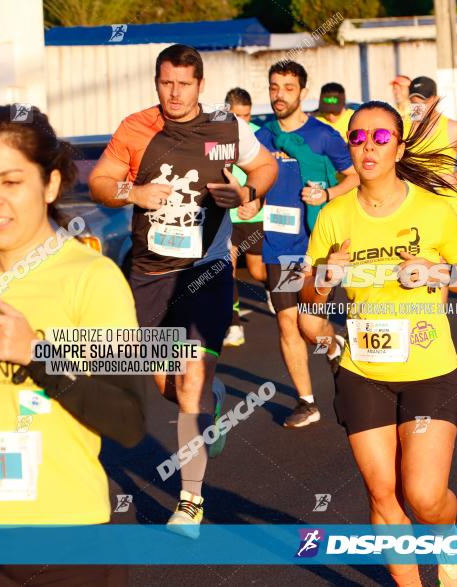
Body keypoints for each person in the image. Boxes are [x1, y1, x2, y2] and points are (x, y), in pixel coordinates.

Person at [88, 44, 277, 536]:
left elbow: (267, 167)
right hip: (150, 273)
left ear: (200, 85)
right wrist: (136, 192)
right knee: (165, 383)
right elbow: (100, 181)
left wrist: (246, 194)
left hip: (206, 269)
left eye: (184, 84)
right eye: (166, 83)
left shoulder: (227, 128)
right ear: (157, 82)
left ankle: (190, 501)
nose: (174, 93)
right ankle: (210, 400)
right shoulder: (135, 128)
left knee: (190, 374)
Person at [300, 99, 457, 587]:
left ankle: (448, 541)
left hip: (428, 370)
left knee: (424, 496)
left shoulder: (433, 209)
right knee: (382, 494)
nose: (368, 147)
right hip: (361, 370)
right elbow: (307, 295)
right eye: (357, 138)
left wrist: (435, 270)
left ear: (399, 147)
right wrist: (324, 275)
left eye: (381, 138)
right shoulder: (333, 216)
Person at [0, 105, 146, 585]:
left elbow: (128, 422)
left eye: (11, 182)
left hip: (63, 543)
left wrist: (39, 355)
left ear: (50, 185)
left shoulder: (91, 278)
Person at [260, 61, 359, 428]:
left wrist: (327, 193)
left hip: (314, 244)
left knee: (309, 326)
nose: (279, 95)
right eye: (274, 87)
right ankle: (307, 402)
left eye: (288, 87)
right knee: (287, 324)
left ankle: (337, 347)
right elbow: (253, 177)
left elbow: (353, 177)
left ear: (303, 92)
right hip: (277, 245)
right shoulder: (262, 136)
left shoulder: (324, 135)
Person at [223, 87, 267, 346]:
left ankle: (273, 289)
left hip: (252, 215)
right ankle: (235, 325)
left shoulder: (258, 138)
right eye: (238, 115)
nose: (244, 121)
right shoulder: (217, 138)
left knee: (257, 270)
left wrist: (258, 200)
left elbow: (269, 175)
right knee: (227, 271)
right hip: (227, 218)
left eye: (248, 115)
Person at [406, 76, 457, 219]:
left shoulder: (452, 128)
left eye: (423, 101)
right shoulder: (402, 127)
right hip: (412, 204)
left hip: (445, 203)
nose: (418, 107)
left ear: (436, 99)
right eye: (414, 102)